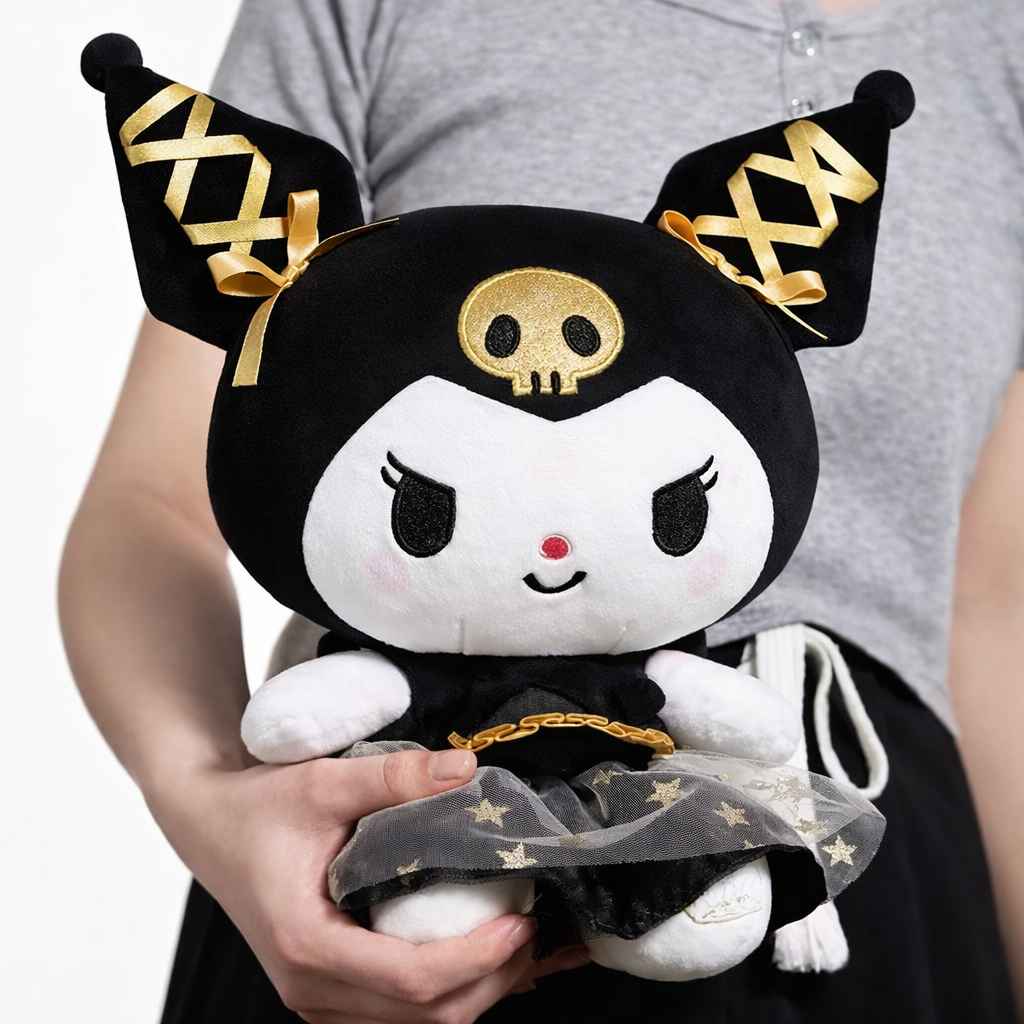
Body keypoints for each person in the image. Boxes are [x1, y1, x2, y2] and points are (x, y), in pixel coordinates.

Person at [60, 1, 1024, 1021]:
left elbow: (989, 610)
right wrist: (214, 803)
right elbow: (157, 500)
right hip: (392, 843)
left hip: (854, 870)